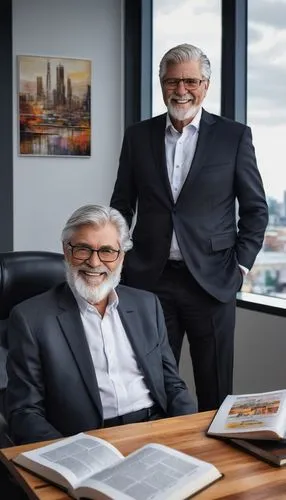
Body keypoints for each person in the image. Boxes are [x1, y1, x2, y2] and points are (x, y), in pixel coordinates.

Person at [110, 43, 269, 411]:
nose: (181, 90)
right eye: (171, 81)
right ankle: (159, 459)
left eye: (190, 81)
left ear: (206, 84)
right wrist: (121, 259)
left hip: (212, 282)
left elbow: (256, 210)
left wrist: (240, 266)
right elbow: (121, 204)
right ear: (161, 84)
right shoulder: (138, 136)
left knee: (215, 387)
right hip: (150, 280)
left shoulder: (234, 136)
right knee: (149, 382)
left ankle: (217, 463)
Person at [6, 204, 196, 445]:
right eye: (83, 249)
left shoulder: (147, 305)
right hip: (84, 441)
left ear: (121, 256)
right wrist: (68, 453)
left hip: (155, 431)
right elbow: (24, 413)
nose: (95, 263)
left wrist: (190, 432)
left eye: (107, 251)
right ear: (66, 251)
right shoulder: (30, 319)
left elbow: (172, 385)